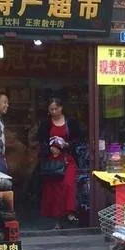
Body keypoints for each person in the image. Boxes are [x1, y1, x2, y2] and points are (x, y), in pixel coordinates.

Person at [38, 97, 84, 229]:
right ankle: (57, 221)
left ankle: (70, 212)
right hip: (52, 160)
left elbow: (78, 139)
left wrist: (67, 145)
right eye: (51, 109)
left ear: (61, 108)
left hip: (67, 159)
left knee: (68, 184)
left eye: (55, 109)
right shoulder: (45, 124)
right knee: (54, 189)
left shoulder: (71, 122)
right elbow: (41, 141)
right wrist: (49, 148)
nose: (53, 111)